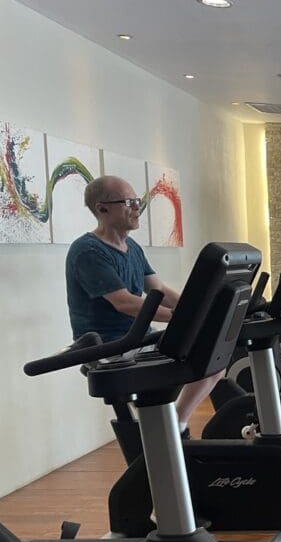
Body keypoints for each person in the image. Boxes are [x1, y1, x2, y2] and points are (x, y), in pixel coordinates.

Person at [65, 175, 219, 435]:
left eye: (137, 201)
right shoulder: (88, 251)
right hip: (110, 345)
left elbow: (159, 290)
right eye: (129, 202)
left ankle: (175, 425)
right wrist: (178, 318)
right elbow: (125, 303)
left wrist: (197, 308)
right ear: (102, 208)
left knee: (215, 352)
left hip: (139, 339)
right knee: (199, 354)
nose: (137, 208)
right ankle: (169, 430)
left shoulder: (131, 247)